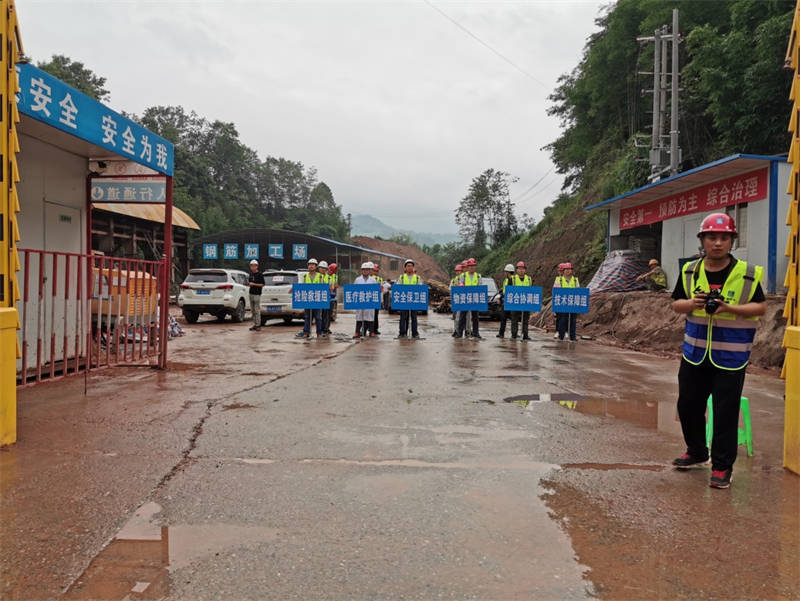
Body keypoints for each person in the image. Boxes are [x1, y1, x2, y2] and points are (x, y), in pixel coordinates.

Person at [670, 212, 765, 489]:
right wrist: (693, 303)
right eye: (712, 237)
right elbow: (676, 303)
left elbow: (760, 307)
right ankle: (697, 451)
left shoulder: (747, 274)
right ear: (702, 240)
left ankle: (723, 467)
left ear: (732, 241)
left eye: (724, 238)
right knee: (688, 405)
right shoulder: (690, 271)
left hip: (731, 357)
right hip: (694, 354)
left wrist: (729, 308)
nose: (718, 243)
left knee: (725, 412)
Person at [297, 258, 325, 339]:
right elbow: (302, 287)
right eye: (310, 265)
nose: (311, 266)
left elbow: (323, 287)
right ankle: (306, 332)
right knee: (307, 317)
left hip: (317, 299)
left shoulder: (320, 276)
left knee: (318, 317)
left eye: (313, 265)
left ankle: (319, 333)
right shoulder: (305, 276)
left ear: (316, 266)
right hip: (308, 299)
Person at [455, 258, 482, 339]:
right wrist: (461, 285)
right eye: (470, 266)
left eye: (473, 266)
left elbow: (480, 287)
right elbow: (461, 284)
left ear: (475, 266)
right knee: (462, 316)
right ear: (467, 267)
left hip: (474, 298)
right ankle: (459, 333)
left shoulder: (478, 276)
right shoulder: (463, 275)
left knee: (475, 317)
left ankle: (476, 333)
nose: (471, 267)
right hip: (465, 298)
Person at [554, 262, 579, 341]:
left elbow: (578, 291)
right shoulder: (559, 280)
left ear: (572, 270)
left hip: (572, 303)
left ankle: (572, 337)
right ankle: (561, 336)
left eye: (569, 269)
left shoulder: (575, 280)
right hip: (563, 303)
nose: (568, 271)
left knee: (573, 320)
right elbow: (556, 291)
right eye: (566, 269)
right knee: (562, 319)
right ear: (563, 271)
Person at [397, 259, 422, 338]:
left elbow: (421, 288)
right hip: (404, 300)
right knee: (403, 317)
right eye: (408, 266)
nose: (410, 267)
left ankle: (415, 333)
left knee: (414, 317)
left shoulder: (417, 278)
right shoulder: (401, 277)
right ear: (405, 268)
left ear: (413, 267)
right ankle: (402, 333)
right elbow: (398, 287)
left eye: (411, 266)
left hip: (414, 300)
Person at [354, 262, 377, 338]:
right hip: (360, 301)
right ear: (362, 270)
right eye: (364, 269)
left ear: (369, 271)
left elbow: (375, 291)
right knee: (359, 316)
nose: (365, 271)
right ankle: (357, 332)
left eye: (367, 270)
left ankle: (371, 332)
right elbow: (354, 290)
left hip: (369, 301)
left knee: (370, 316)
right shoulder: (358, 280)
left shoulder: (373, 280)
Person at [510, 261, 532, 340]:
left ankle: (525, 334)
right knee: (514, 319)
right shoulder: (512, 279)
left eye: (522, 269)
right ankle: (514, 334)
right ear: (516, 270)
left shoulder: (529, 279)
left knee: (525, 319)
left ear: (525, 270)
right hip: (515, 302)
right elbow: (509, 290)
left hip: (525, 302)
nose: (521, 270)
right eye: (519, 269)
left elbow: (531, 290)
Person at [496, 264, 515, 338]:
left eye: (506, 272)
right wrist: (500, 298)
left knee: (512, 318)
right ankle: (501, 333)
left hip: (512, 302)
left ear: (508, 272)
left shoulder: (514, 280)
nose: (505, 273)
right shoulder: (506, 280)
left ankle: (513, 333)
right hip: (506, 301)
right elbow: (504, 291)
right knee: (504, 318)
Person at [247, 259, 265, 331]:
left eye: (254, 266)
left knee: (257, 310)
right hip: (251, 293)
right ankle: (254, 324)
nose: (252, 267)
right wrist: (249, 284)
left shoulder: (260, 274)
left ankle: (258, 325)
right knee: (252, 310)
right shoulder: (250, 274)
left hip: (257, 294)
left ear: (257, 266)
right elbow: (249, 283)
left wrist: (254, 284)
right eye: (251, 266)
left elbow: (262, 284)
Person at [317, 261, 331, 337]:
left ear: (326, 269)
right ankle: (319, 330)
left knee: (326, 315)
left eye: (324, 268)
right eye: (321, 268)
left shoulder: (329, 278)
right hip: (318, 298)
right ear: (318, 268)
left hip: (326, 298)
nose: (322, 269)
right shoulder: (316, 276)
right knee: (319, 315)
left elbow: (331, 287)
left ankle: (325, 329)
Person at [451, 264, 464, 336]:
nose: (458, 272)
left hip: (463, 300)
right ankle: (456, 330)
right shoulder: (454, 280)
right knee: (455, 317)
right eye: (456, 271)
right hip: (456, 300)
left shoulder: (464, 279)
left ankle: (464, 331)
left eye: (459, 271)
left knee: (461, 317)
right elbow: (451, 289)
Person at [326, 262, 339, 334]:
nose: (331, 272)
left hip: (332, 297)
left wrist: (334, 286)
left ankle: (327, 328)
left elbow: (336, 285)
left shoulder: (335, 276)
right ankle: (323, 328)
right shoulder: (324, 276)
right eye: (330, 270)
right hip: (325, 297)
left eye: (333, 271)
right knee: (324, 314)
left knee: (329, 314)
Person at [372, 262, 383, 335]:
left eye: (376, 271)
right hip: (369, 299)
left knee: (376, 315)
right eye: (374, 270)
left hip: (376, 299)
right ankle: (367, 328)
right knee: (368, 315)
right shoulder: (369, 278)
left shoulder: (380, 279)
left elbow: (381, 289)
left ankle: (375, 329)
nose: (375, 272)